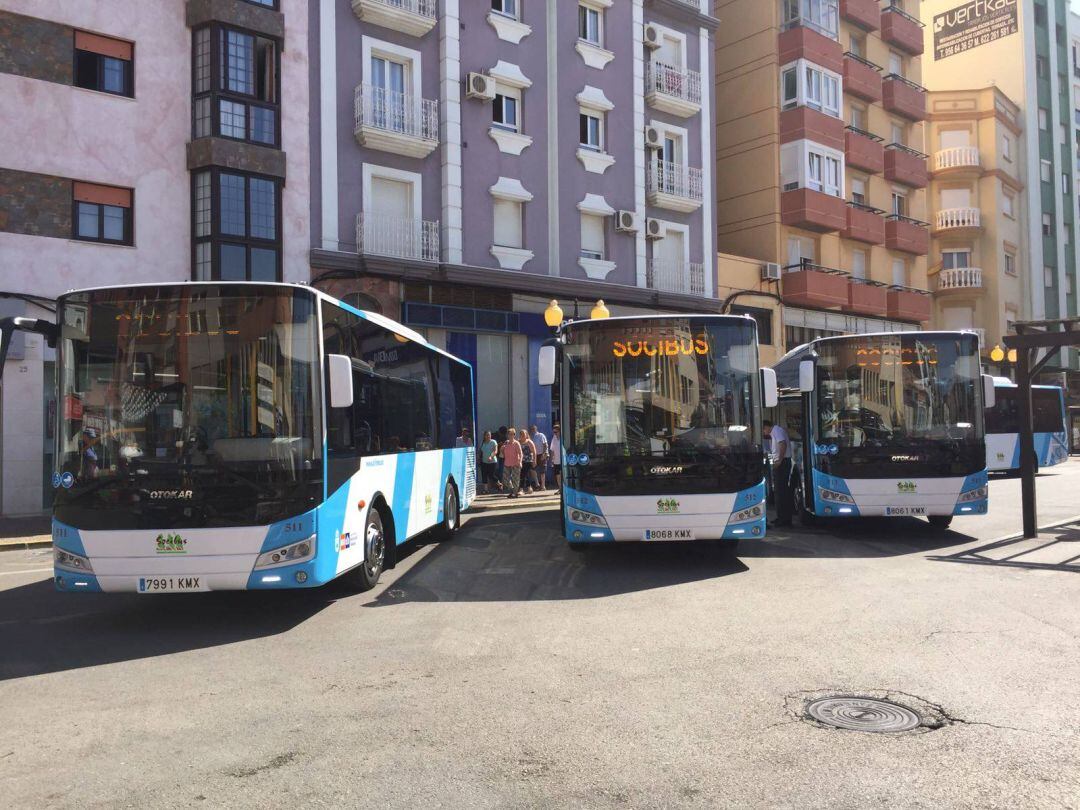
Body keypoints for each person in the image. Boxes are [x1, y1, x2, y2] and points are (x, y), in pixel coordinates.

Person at [764, 420, 793, 527]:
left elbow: (782, 444)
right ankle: (780, 517)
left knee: (781, 491)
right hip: (780, 463)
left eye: (763, 430)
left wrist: (779, 460)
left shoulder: (777, 430)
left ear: (766, 427)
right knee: (778, 491)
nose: (764, 432)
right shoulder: (774, 432)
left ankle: (784, 519)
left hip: (782, 463)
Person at [502, 428, 522, 498]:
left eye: (512, 434)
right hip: (507, 463)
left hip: (515, 463)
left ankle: (515, 493)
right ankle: (512, 490)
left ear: (514, 435)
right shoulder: (506, 443)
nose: (510, 435)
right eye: (509, 434)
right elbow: (503, 453)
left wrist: (520, 461)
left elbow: (520, 453)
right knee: (505, 479)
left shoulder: (516, 443)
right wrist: (502, 449)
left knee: (515, 479)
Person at [529, 425, 548, 491]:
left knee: (542, 471)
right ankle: (537, 484)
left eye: (533, 429)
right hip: (535, 455)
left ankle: (543, 486)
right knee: (532, 469)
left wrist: (544, 454)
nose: (532, 430)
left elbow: (545, 445)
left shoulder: (541, 435)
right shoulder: (531, 437)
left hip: (541, 454)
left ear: (536, 429)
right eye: (531, 429)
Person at [519, 426, 537, 493]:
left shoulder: (529, 442)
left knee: (523, 474)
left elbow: (534, 452)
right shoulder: (518, 442)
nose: (522, 435)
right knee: (525, 475)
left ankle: (521, 489)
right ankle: (529, 488)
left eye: (523, 434)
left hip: (528, 460)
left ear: (526, 435)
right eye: (521, 434)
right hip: (521, 460)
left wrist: (534, 461)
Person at [549, 424, 562, 489]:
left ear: (559, 431)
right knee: (557, 475)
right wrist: (551, 459)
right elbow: (552, 449)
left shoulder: (563, 438)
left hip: (563, 460)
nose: (554, 433)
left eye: (556, 432)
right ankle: (560, 488)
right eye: (554, 432)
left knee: (562, 474)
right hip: (556, 460)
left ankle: (563, 488)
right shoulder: (554, 438)